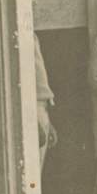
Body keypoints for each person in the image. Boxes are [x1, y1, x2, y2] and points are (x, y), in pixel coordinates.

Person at [34, 33, 58, 169]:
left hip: (40, 109)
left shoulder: (31, 36)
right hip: (32, 111)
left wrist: (48, 123)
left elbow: (39, 81)